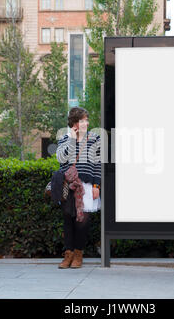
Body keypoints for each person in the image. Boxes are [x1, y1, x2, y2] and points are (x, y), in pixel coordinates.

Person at [56, 107, 101, 269]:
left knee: (83, 221)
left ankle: (78, 254)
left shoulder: (94, 138)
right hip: (69, 185)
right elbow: (61, 159)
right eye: (82, 120)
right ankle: (68, 255)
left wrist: (97, 185)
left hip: (87, 186)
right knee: (68, 219)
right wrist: (72, 140)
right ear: (74, 123)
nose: (86, 123)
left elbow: (97, 164)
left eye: (86, 120)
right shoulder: (64, 138)